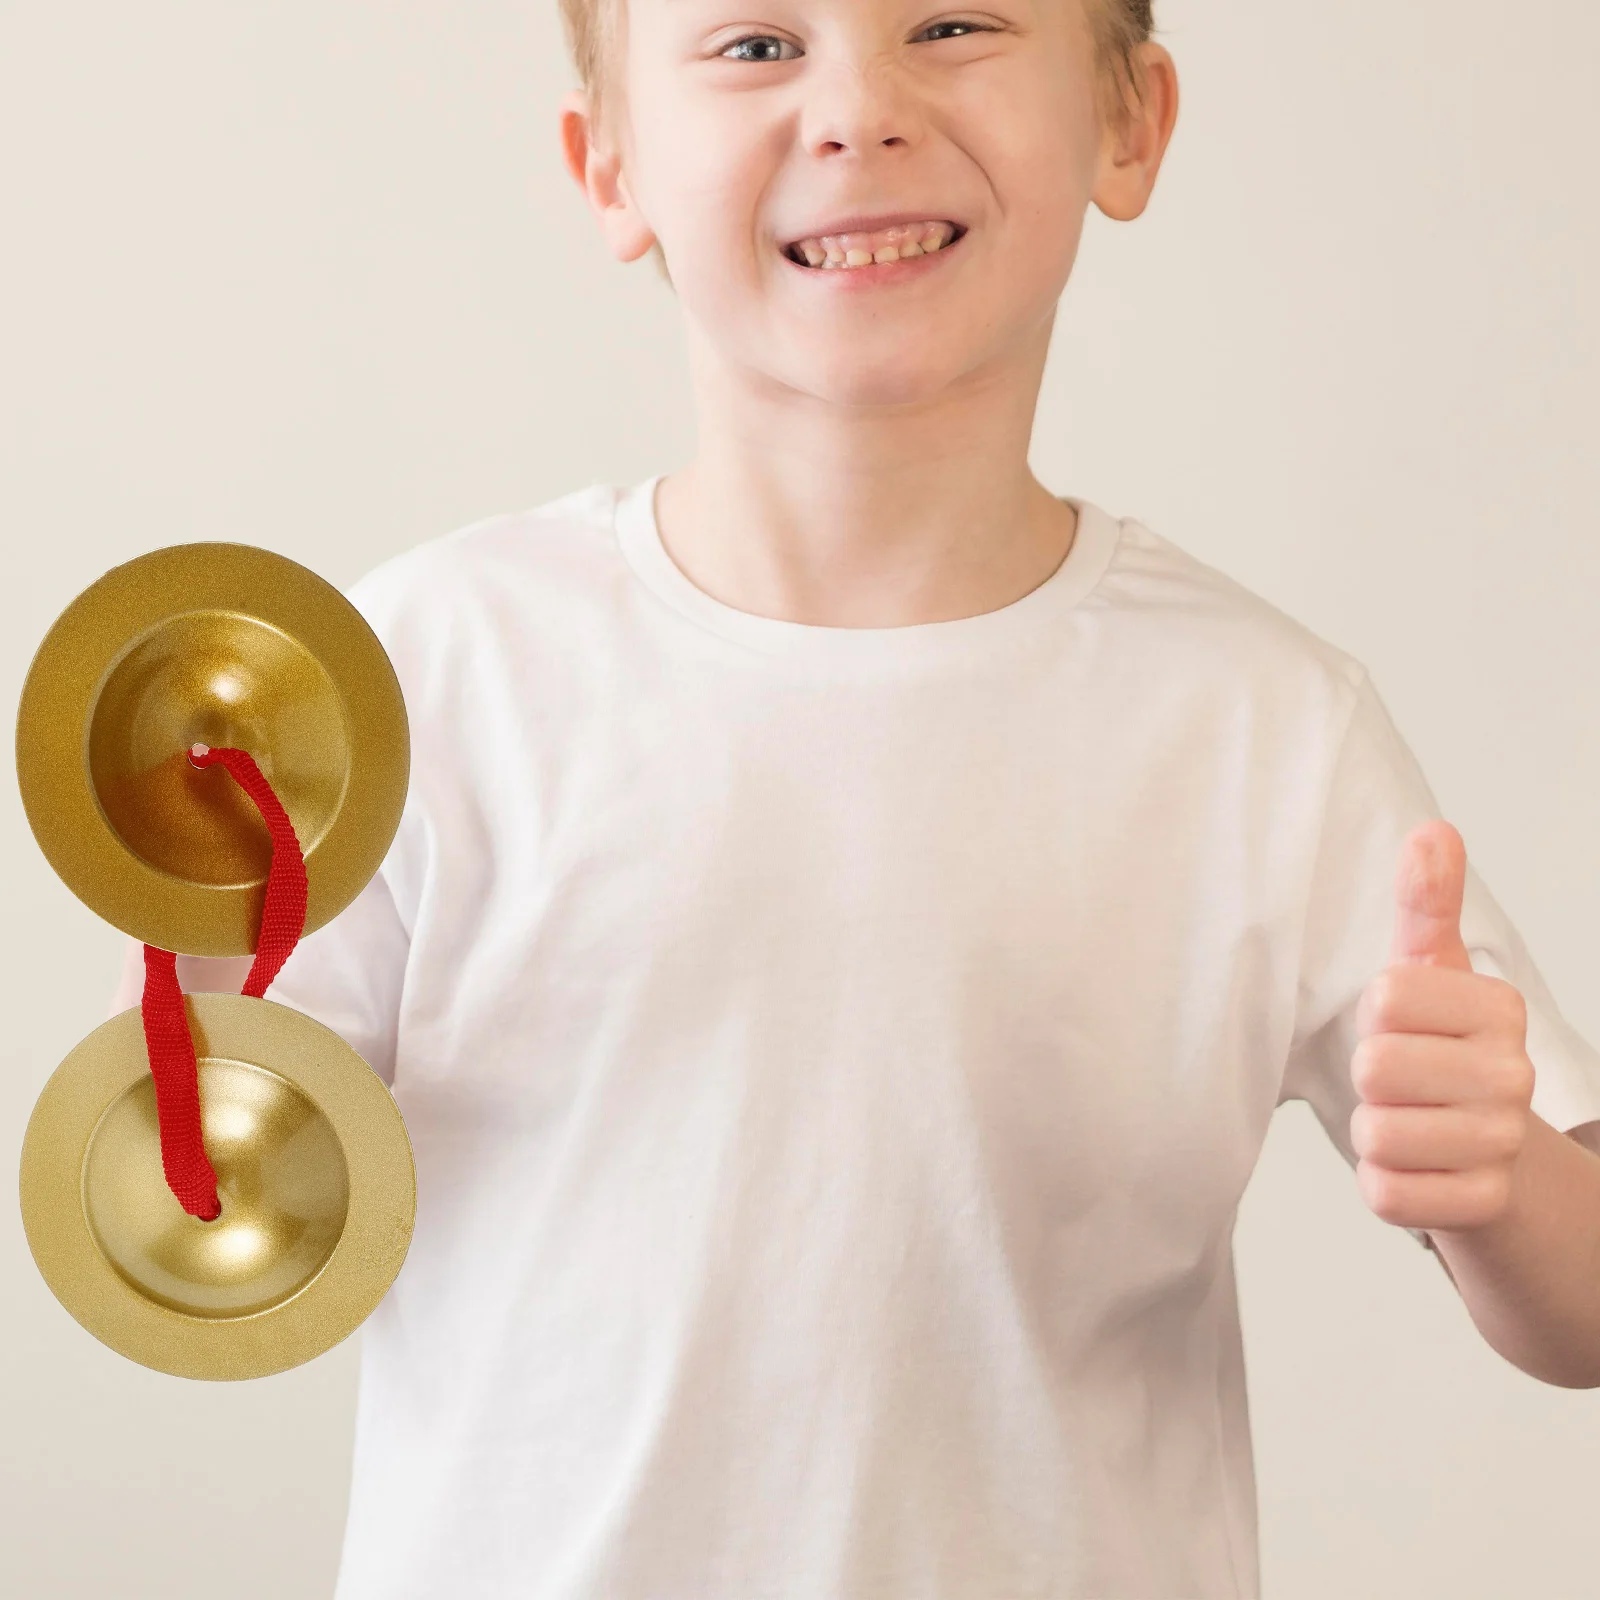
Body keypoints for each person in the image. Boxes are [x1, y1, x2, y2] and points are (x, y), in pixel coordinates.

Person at [108, 1, 1600, 1595]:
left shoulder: (1264, 726)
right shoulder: (416, 676)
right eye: (758, 45)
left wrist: (1498, 1175)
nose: (857, 109)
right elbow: (217, 1215)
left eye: (951, 21)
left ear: (1129, 120)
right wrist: (188, 1012)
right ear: (611, 166)